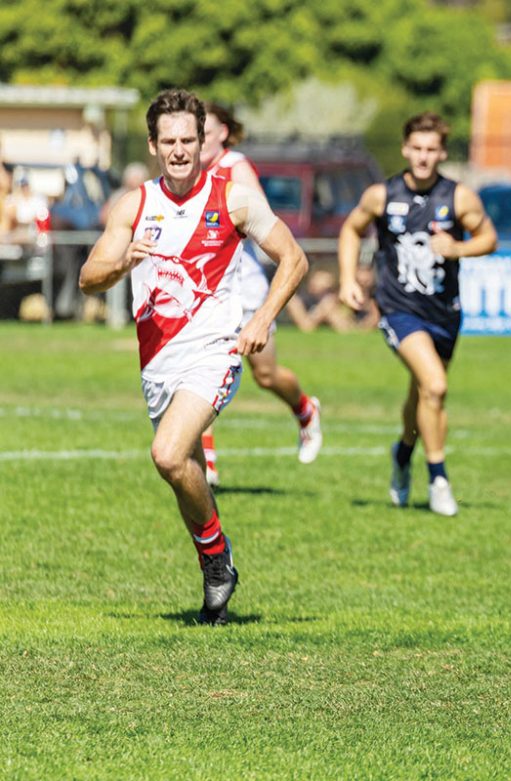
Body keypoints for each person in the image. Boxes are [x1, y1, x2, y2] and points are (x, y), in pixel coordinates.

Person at [78, 89, 309, 624]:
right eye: (170, 141)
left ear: (204, 142)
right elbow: (89, 277)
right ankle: (216, 563)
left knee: (166, 452)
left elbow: (293, 259)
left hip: (214, 351)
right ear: (154, 145)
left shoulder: (235, 198)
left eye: (189, 140)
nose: (180, 150)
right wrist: (119, 267)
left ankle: (215, 560)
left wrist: (260, 318)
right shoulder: (135, 205)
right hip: (157, 361)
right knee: (182, 469)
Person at [338, 112, 498, 516]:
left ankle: (402, 453)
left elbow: (489, 238)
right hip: (397, 308)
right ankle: (438, 477)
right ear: (406, 149)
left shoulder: (458, 197)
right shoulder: (382, 195)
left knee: (423, 392)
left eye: (432, 150)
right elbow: (351, 230)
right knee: (435, 385)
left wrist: (457, 249)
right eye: (417, 149)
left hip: (444, 311)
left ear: (442, 152)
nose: (424, 157)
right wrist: (347, 279)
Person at [198, 103, 322, 485]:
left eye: (207, 129)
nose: (198, 138)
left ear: (223, 133)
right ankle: (208, 463)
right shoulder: (186, 173)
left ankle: (305, 409)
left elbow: (259, 216)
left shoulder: (234, 167)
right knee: (198, 371)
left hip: (245, 288)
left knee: (266, 375)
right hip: (207, 290)